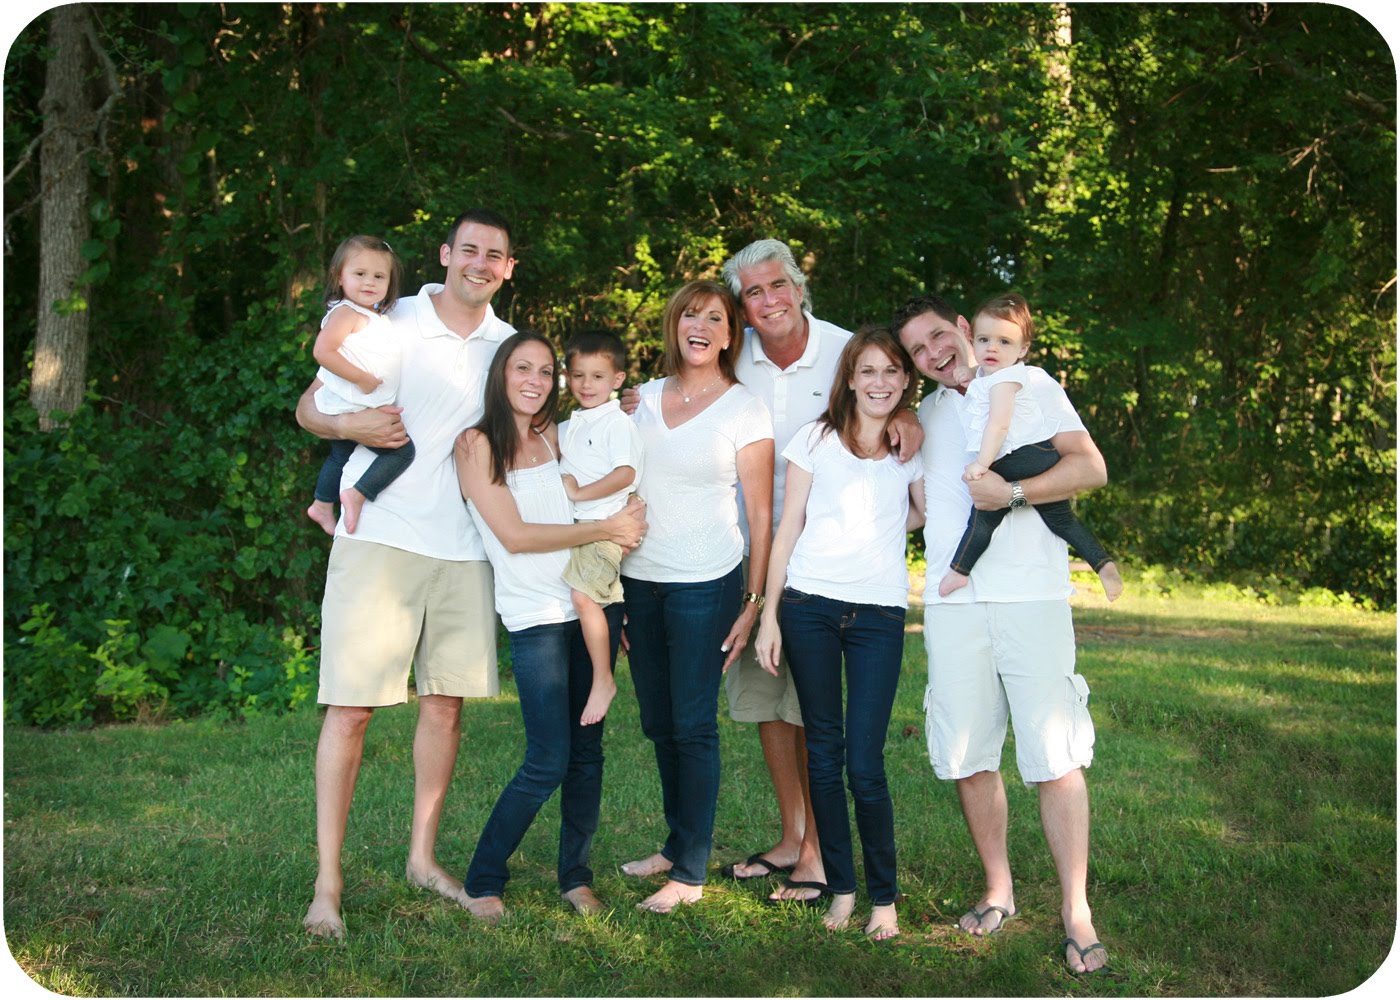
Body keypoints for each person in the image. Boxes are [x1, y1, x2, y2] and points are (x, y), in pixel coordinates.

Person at [294, 208, 519, 941]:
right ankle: (328, 884)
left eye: (495, 255)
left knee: (445, 708)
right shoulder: (387, 316)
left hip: (464, 547)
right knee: (351, 710)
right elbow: (309, 405)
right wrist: (347, 426)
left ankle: (423, 859)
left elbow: (534, 429)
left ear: (508, 269)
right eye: (469, 249)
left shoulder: (509, 348)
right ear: (446, 254)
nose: (480, 263)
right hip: (378, 535)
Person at [894, 294, 1111, 973]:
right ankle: (999, 888)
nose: (933, 353)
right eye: (917, 350)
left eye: (938, 336)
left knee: (1055, 754)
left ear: (963, 328)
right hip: (954, 604)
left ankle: (1076, 910)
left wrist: (1013, 494)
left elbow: (1090, 468)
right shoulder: (923, 416)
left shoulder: (1031, 385)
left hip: (1032, 597)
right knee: (967, 751)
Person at [711, 239, 922, 904]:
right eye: (753, 292)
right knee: (766, 699)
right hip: (747, 546)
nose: (768, 300)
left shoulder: (840, 348)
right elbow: (685, 385)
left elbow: (888, 387)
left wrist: (906, 414)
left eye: (778, 284)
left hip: (824, 569)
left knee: (813, 713)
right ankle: (791, 833)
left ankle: (816, 854)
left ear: (799, 287)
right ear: (741, 306)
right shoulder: (731, 353)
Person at [455, 332, 647, 924]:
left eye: (545, 371)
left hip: (588, 606)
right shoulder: (476, 444)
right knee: (547, 757)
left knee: (587, 755)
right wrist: (607, 529)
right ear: (501, 374)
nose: (535, 381)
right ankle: (483, 880)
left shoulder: (554, 435)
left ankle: (576, 878)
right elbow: (514, 536)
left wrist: (627, 400)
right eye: (523, 368)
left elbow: (608, 443)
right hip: (535, 617)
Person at [754, 327, 925, 941]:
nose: (879, 382)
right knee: (824, 754)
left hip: (879, 614)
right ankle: (842, 890)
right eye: (868, 371)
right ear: (850, 378)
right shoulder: (815, 439)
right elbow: (788, 527)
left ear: (905, 382)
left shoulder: (910, 450)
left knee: (865, 763)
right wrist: (769, 616)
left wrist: (878, 527)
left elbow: (921, 512)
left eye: (891, 372)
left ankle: (884, 899)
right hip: (810, 607)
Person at [617, 280, 775, 914]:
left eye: (715, 318)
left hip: (706, 583)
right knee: (658, 723)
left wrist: (753, 601)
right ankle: (675, 843)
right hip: (638, 581)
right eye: (690, 314)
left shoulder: (745, 409)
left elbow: (759, 515)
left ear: (731, 334)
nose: (701, 326)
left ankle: (690, 872)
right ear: (674, 324)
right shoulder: (640, 401)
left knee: (692, 724)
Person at [939, 293, 1121, 602]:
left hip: (1017, 456)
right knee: (1062, 519)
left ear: (1023, 349)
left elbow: (998, 425)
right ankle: (1104, 565)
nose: (992, 348)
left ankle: (959, 570)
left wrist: (982, 464)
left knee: (983, 516)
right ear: (972, 341)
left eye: (1004, 342)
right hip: (1037, 454)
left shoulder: (1005, 381)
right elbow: (981, 377)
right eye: (984, 340)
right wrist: (969, 373)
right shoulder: (991, 374)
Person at [558, 331, 645, 727]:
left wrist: (580, 493)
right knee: (584, 595)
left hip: (605, 527)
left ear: (617, 379)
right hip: (582, 528)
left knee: (583, 597)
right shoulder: (574, 423)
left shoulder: (616, 423)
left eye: (597, 376)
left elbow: (625, 473)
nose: (586, 385)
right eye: (578, 375)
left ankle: (603, 680)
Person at [305, 235, 415, 536]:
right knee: (402, 452)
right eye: (360, 273)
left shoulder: (371, 315)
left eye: (379, 276)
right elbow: (323, 351)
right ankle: (357, 494)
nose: (369, 282)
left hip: (362, 403)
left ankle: (321, 504)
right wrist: (361, 378)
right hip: (354, 404)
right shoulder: (346, 313)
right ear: (339, 276)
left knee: (340, 456)